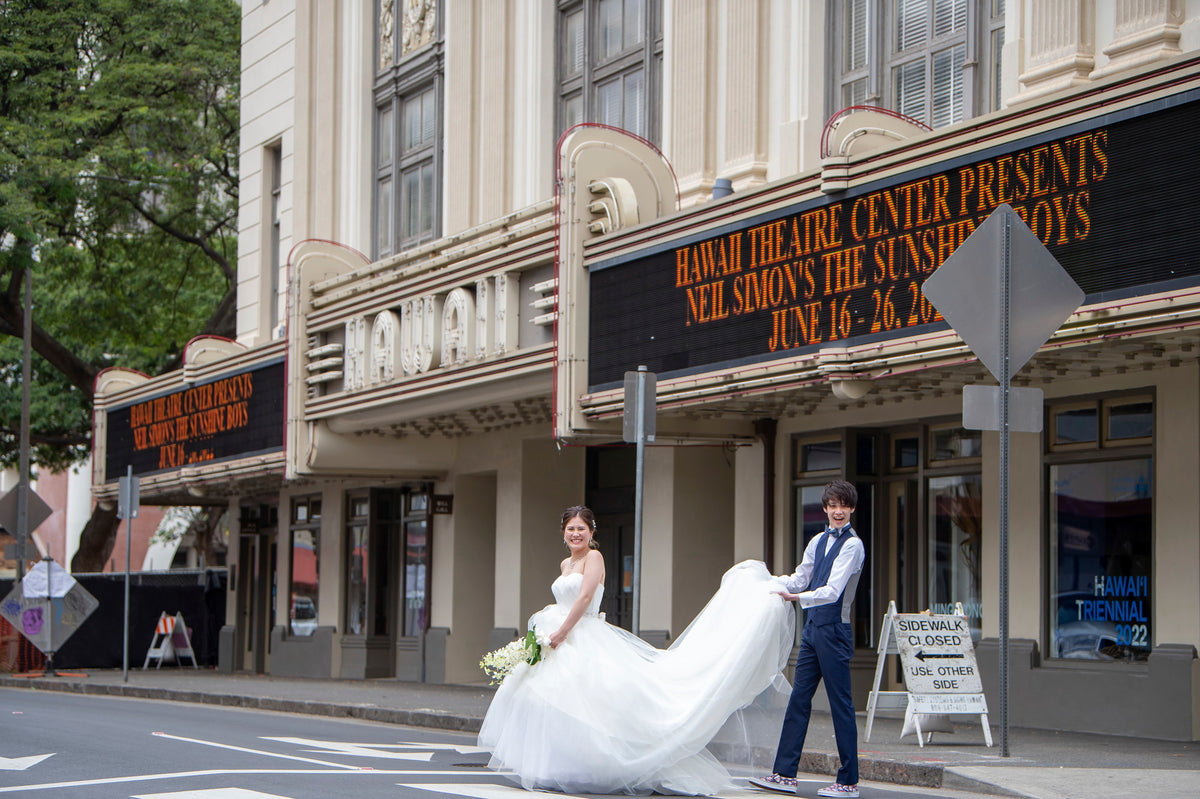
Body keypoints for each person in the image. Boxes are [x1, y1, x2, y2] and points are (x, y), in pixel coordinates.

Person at [478, 505, 794, 796]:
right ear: (563, 532)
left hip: (581, 634)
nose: (576, 534)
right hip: (558, 634)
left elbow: (585, 598)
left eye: (582, 529)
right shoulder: (566, 563)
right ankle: (563, 766)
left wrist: (560, 633)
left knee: (597, 705)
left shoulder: (594, 558)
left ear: (591, 532)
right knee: (551, 702)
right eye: (571, 529)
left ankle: (615, 765)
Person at [750, 480, 865, 798]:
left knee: (841, 704)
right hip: (813, 631)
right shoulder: (817, 541)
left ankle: (848, 781)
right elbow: (801, 576)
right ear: (825, 508)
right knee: (799, 700)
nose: (838, 511)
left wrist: (795, 598)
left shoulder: (853, 546)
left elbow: (832, 591)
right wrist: (773, 585)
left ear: (852, 508)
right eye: (833, 505)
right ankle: (784, 774)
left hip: (834, 631)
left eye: (844, 505)